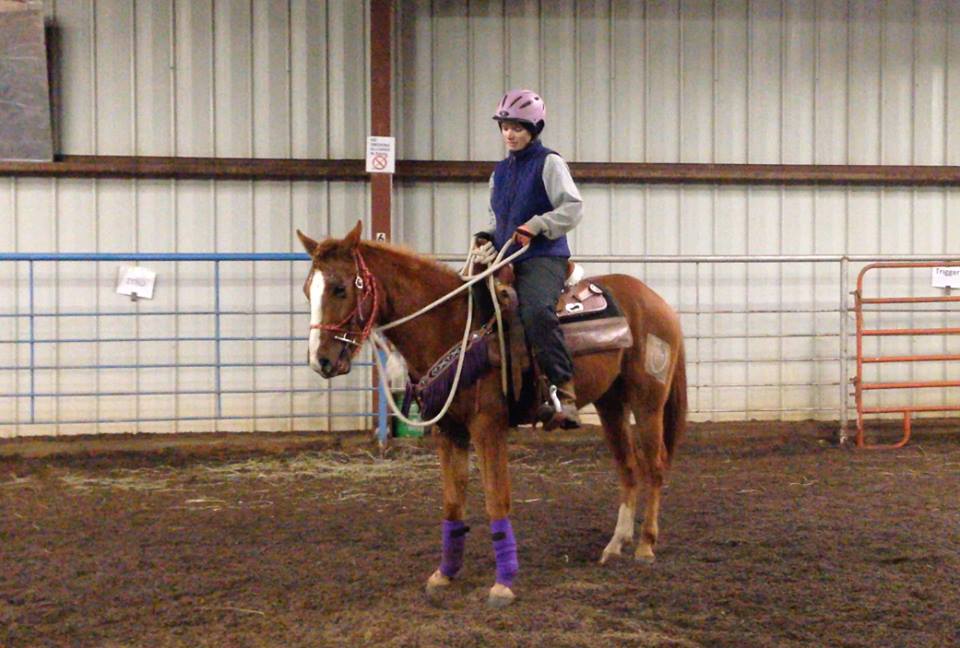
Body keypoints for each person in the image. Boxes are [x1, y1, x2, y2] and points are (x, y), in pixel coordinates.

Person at [473, 89, 583, 429]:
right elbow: (498, 220)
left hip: (543, 256)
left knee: (536, 310)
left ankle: (565, 391)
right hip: (507, 258)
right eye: (505, 127)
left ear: (534, 130)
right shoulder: (500, 173)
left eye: (518, 128)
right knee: (473, 305)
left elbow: (572, 208)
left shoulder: (550, 163)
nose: (510, 134)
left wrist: (538, 225)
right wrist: (486, 236)